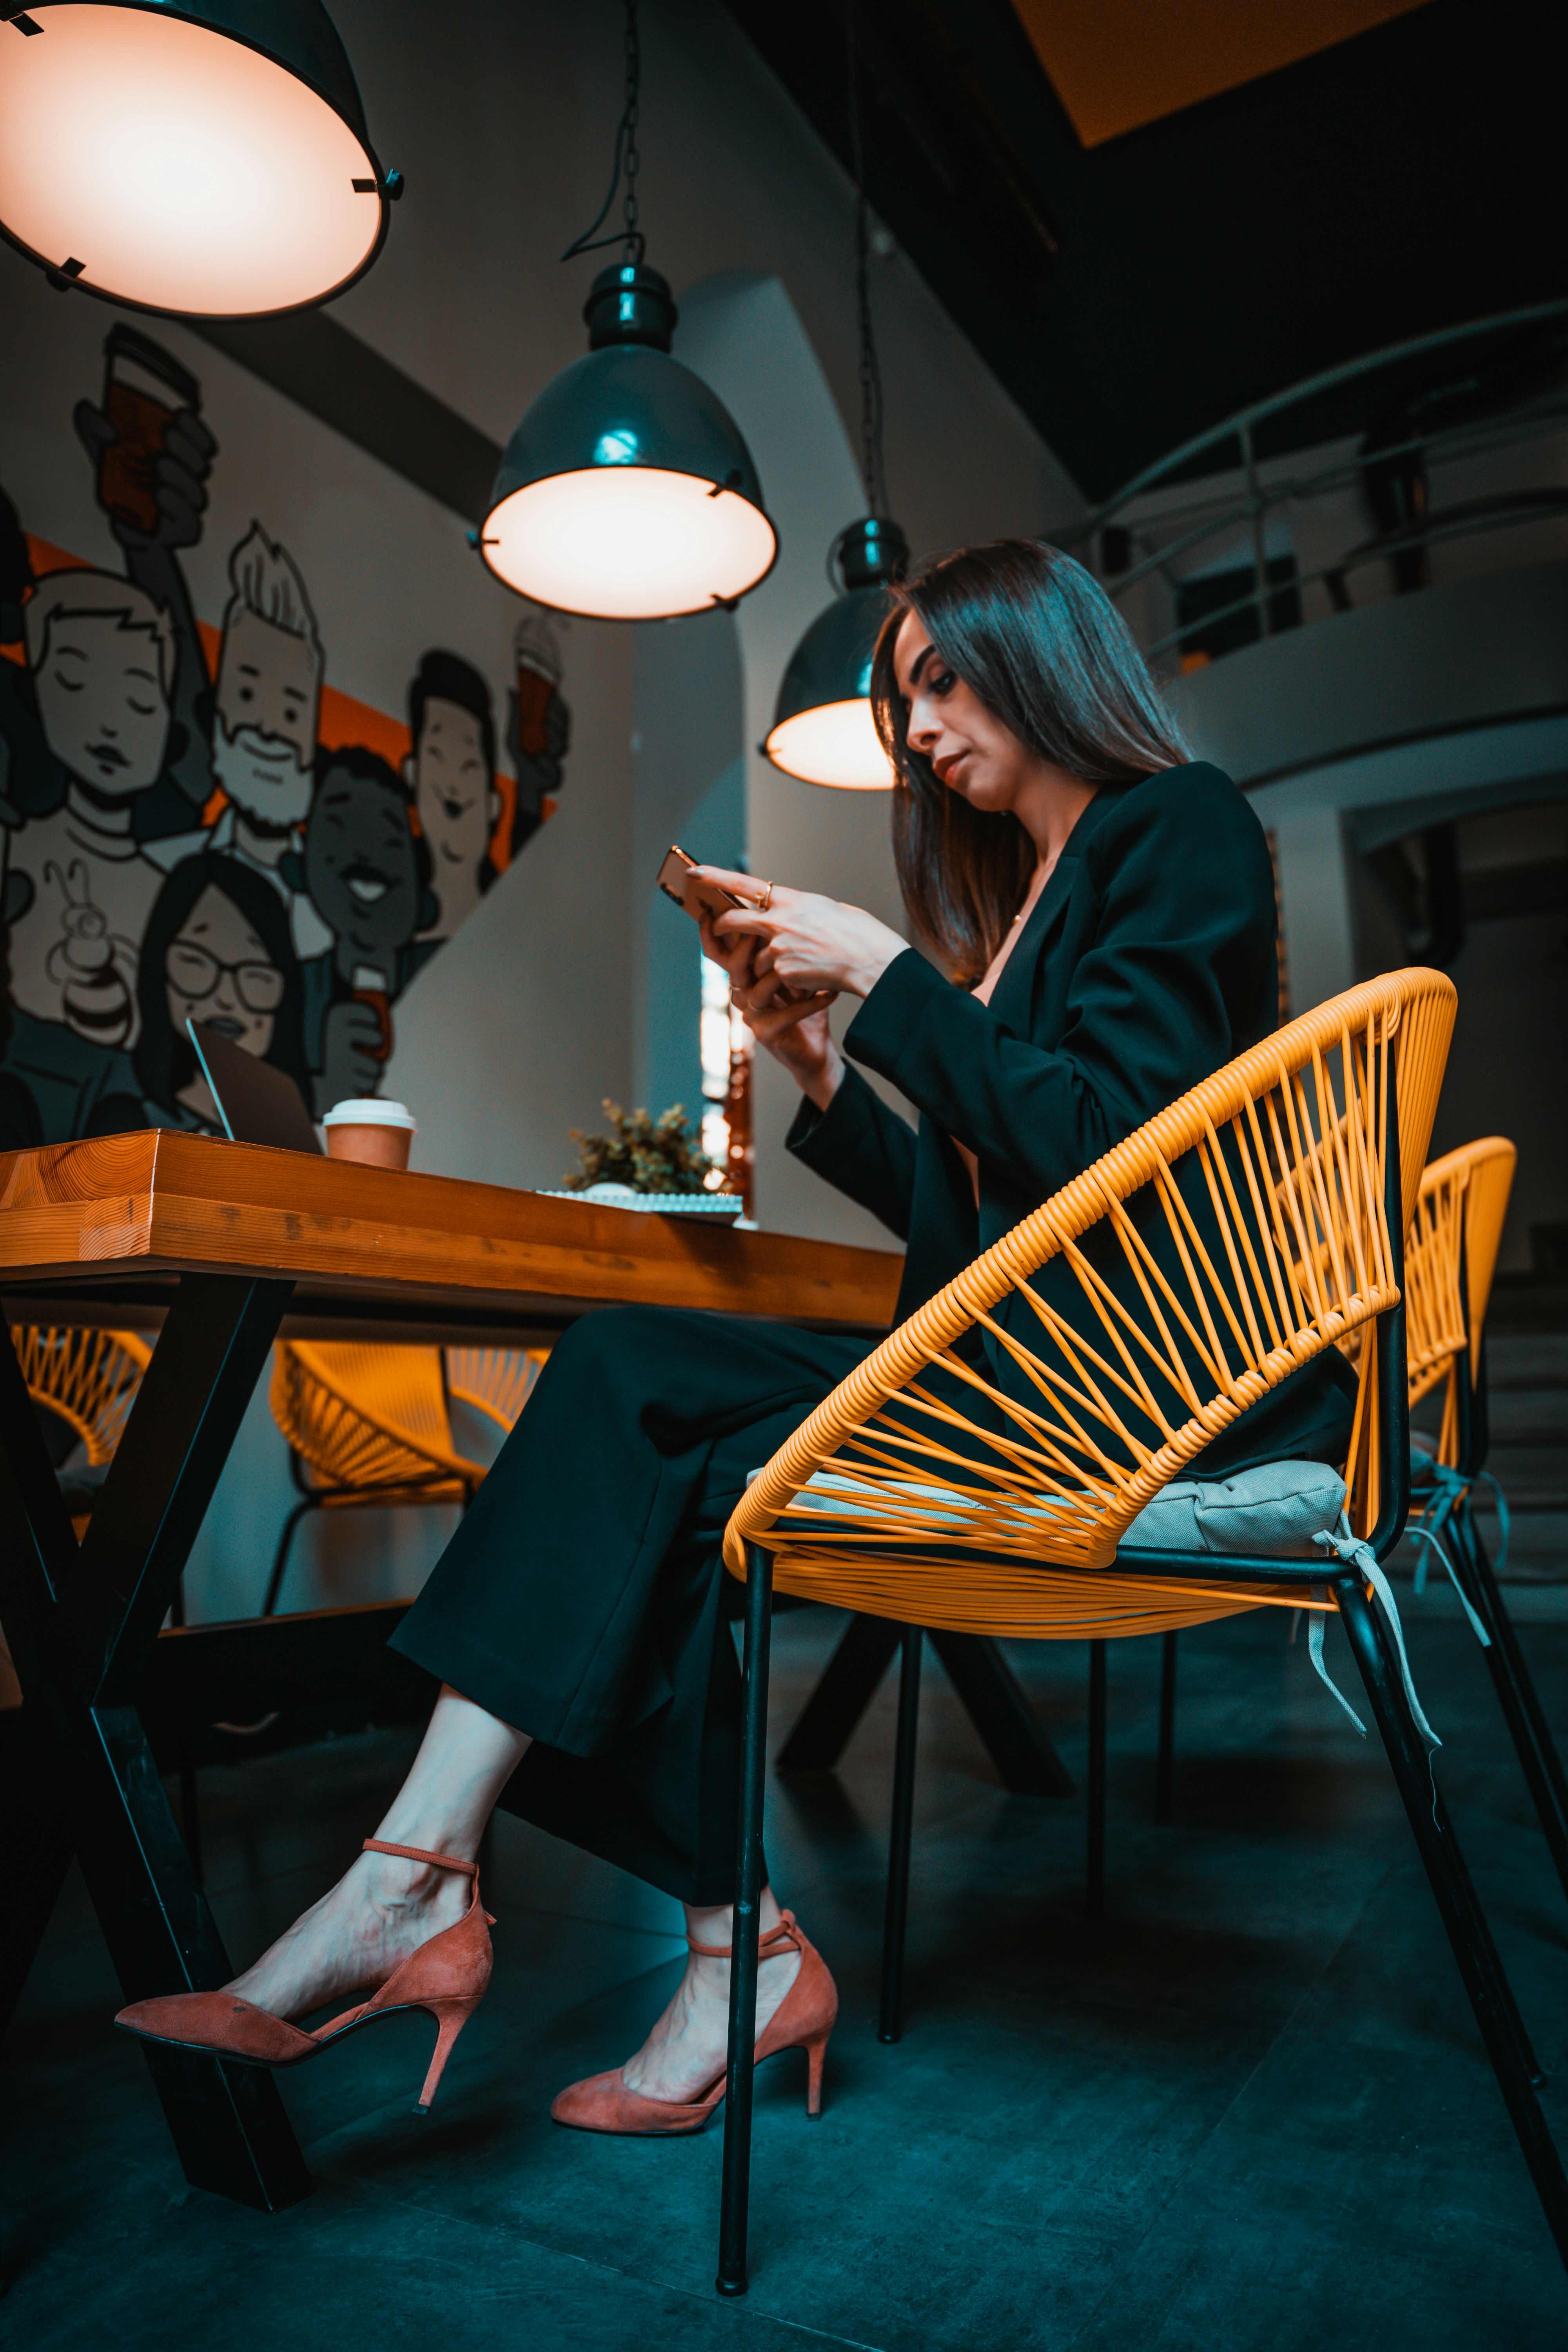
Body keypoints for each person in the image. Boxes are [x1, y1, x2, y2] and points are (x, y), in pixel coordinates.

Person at [114, 540, 1356, 2137]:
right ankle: (553, 1909)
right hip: (1019, 1363)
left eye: (938, 681)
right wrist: (831, 1073)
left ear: (1040, 654)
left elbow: (1110, 1145)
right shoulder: (1025, 906)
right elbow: (985, 1221)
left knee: (643, 1439)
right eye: (901, 697)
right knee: (643, 1409)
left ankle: (547, 1906)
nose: (915, 730)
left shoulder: (1172, 823)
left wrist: (899, 984)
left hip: (1124, 1395)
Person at [132, 852, 312, 1131]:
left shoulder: (284, 1134)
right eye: (196, 963)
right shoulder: (136, 1120)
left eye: (255, 977)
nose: (226, 998)